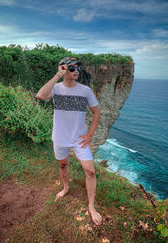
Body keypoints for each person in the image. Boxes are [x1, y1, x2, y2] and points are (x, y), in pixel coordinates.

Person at [36, 56, 102, 226]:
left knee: (90, 172)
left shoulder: (85, 91)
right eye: (72, 68)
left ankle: (91, 206)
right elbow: (40, 95)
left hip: (79, 140)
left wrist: (89, 135)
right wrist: (58, 75)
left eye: (78, 68)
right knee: (63, 164)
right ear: (63, 69)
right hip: (60, 137)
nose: (76, 71)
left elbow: (96, 112)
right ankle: (65, 188)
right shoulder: (56, 89)